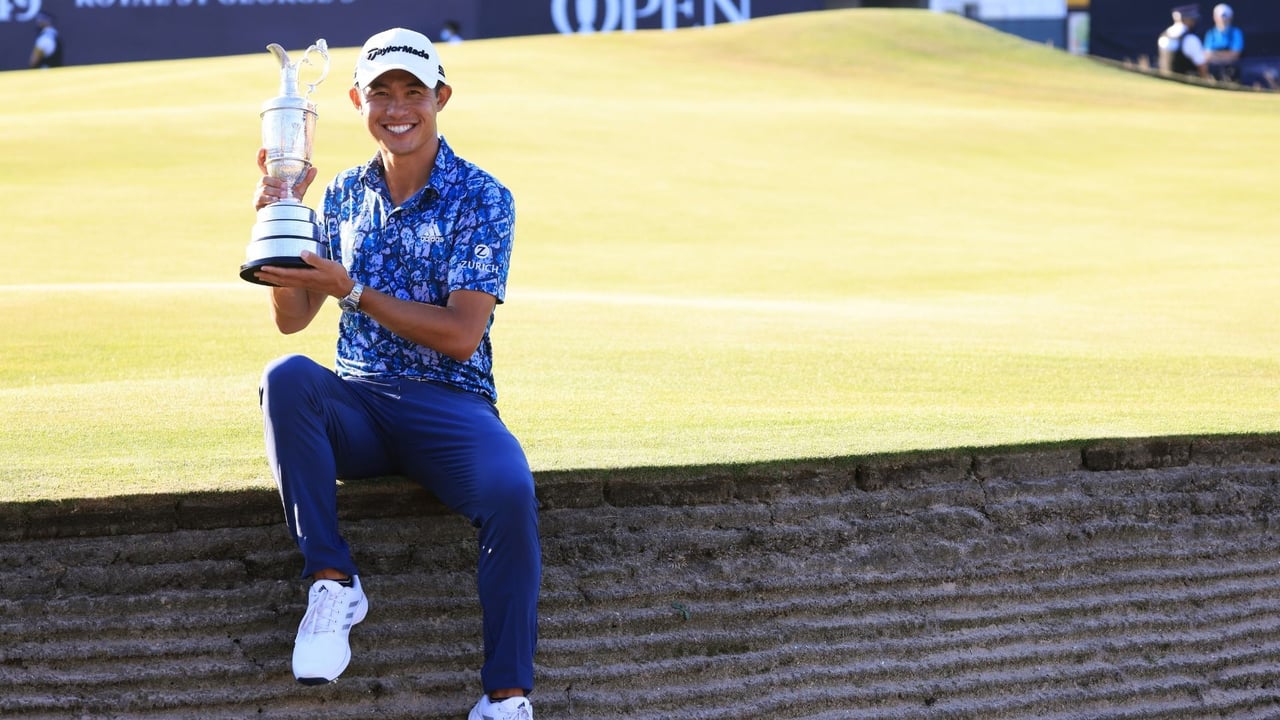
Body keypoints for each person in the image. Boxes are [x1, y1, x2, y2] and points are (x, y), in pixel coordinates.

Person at [250, 27, 539, 720]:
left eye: (414, 92)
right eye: (382, 94)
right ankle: (332, 581)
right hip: (360, 405)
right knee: (287, 375)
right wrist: (276, 220)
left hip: (452, 405)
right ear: (357, 101)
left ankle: (506, 697)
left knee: (509, 493)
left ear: (440, 97)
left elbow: (463, 336)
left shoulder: (482, 197)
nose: (398, 108)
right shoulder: (344, 194)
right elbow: (293, 317)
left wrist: (353, 292)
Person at [1157, 4, 1208, 79]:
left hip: (1165, 84)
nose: (1194, 22)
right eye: (1193, 19)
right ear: (1188, 20)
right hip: (1186, 85)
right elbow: (1202, 66)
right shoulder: (1191, 39)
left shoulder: (1163, 36)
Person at [1203, 3, 1244, 82]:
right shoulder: (1210, 33)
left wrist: (1215, 55)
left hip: (1232, 72)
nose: (1223, 20)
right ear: (1215, 17)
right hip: (1213, 73)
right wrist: (1226, 55)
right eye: (1221, 17)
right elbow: (1207, 56)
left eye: (1226, 17)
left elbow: (1235, 55)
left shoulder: (1236, 32)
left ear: (1230, 18)